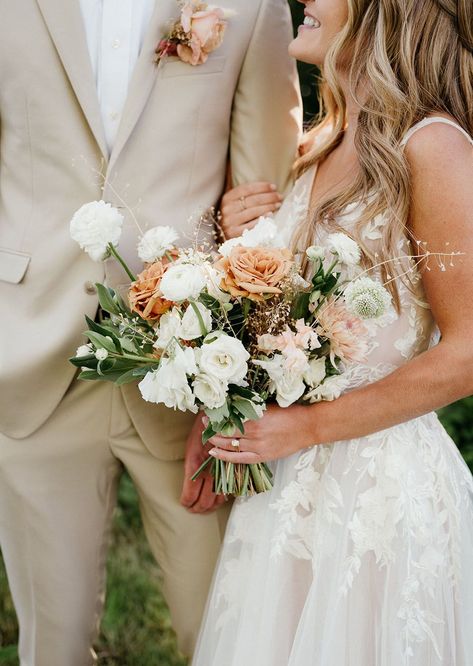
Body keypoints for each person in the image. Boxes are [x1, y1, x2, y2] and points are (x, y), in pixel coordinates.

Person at [0, 0, 302, 663]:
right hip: (30, 353)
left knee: (225, 632)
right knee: (50, 640)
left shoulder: (249, 7)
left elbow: (267, 195)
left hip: (192, 371)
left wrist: (241, 366)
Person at [192, 0, 473, 664]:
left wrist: (313, 426)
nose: (308, 1)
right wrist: (244, 241)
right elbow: (295, 320)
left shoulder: (431, 146)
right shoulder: (322, 140)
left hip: (373, 496)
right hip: (287, 482)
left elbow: (467, 352)